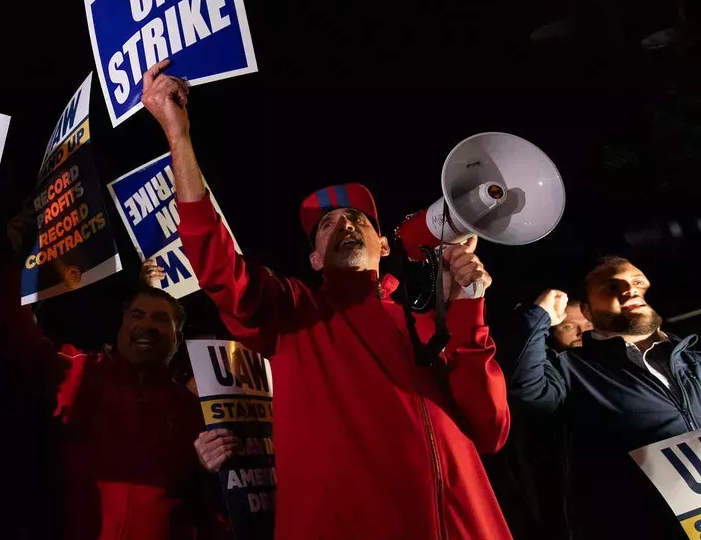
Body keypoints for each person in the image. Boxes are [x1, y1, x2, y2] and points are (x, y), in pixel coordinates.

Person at [140, 59, 512, 539]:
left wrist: (468, 307)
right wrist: (178, 137)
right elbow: (217, 264)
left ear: (383, 244)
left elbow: (491, 430)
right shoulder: (294, 312)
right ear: (314, 260)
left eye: (358, 218)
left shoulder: (428, 324)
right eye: (326, 225)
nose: (344, 223)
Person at [0, 208, 220, 540]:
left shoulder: (192, 411)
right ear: (122, 325)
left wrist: (208, 472)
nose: (146, 325)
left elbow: (211, 510)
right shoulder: (78, 372)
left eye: (161, 320)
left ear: (176, 338)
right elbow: (15, 332)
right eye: (137, 315)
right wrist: (17, 260)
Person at [504, 256, 700, 539]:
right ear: (587, 311)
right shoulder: (571, 371)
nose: (629, 290)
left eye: (637, 282)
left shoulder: (696, 361)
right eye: (611, 287)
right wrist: (538, 317)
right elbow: (526, 388)